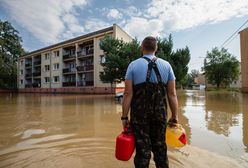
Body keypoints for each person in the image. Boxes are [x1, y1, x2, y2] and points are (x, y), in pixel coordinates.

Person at [121, 36, 179, 168]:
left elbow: (127, 94)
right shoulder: (167, 65)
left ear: (142, 48)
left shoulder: (133, 65)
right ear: (156, 48)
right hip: (160, 116)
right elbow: (172, 94)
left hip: (139, 116)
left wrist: (124, 117)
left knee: (142, 151)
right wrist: (175, 116)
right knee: (160, 149)